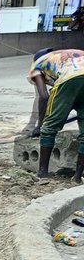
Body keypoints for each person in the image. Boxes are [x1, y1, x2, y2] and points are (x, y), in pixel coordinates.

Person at [29, 47, 84, 180]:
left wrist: (40, 126)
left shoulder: (37, 65)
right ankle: (77, 177)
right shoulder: (66, 54)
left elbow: (43, 97)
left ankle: (42, 173)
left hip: (69, 78)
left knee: (49, 127)